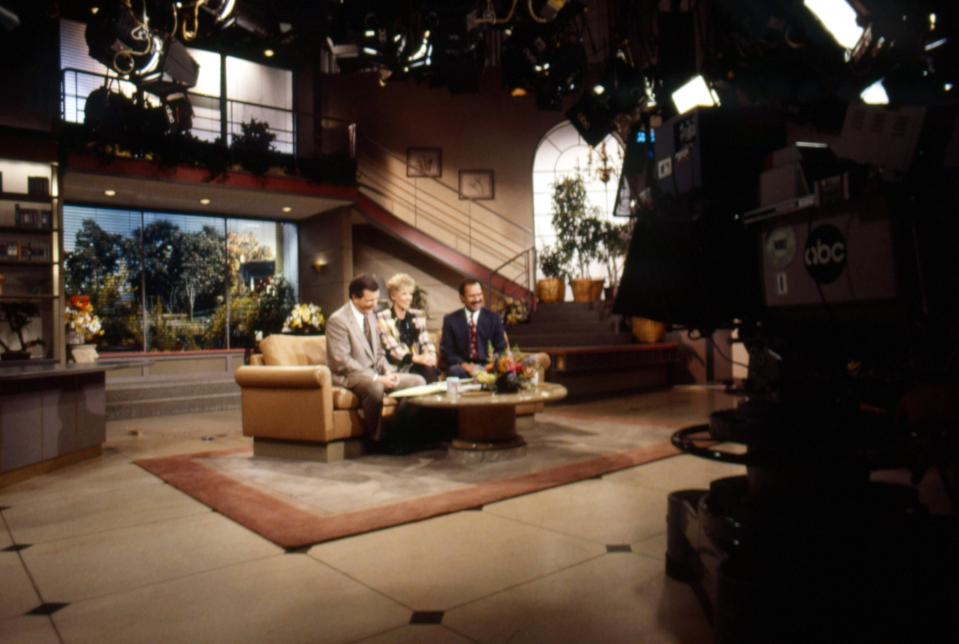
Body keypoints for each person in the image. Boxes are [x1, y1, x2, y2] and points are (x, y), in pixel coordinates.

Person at [326, 274, 425, 451]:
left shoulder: (370, 315)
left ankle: (398, 436)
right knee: (375, 388)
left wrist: (388, 371)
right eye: (369, 300)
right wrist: (376, 378)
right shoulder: (338, 320)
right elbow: (341, 361)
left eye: (377, 300)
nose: (374, 305)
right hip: (349, 376)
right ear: (354, 298)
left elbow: (378, 353)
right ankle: (375, 440)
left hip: (375, 373)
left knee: (418, 382)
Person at [376, 273, 439, 383]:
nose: (409, 298)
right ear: (393, 296)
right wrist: (418, 359)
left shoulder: (418, 315)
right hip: (396, 367)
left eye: (410, 294)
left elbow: (426, 342)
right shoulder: (384, 317)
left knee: (430, 370)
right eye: (404, 294)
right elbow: (393, 350)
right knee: (424, 374)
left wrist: (431, 356)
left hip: (417, 364)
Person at [440, 278, 507, 378]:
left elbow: (501, 348)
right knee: (454, 371)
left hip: (488, 366)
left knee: (506, 372)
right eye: (472, 296)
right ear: (462, 297)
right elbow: (447, 351)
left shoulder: (494, 318)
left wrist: (491, 365)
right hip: (462, 367)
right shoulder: (450, 320)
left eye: (479, 294)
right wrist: (464, 365)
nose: (477, 299)